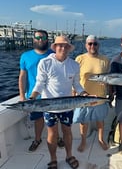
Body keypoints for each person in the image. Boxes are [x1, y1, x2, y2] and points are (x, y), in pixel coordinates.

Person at [29, 36, 86, 169]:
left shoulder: (74, 65)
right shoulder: (45, 62)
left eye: (65, 46)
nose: (63, 48)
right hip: (49, 106)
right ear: (55, 47)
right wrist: (32, 97)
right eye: (60, 45)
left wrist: (85, 94)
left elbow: (77, 85)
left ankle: (69, 155)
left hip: (67, 106)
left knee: (67, 132)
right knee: (52, 134)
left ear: (69, 48)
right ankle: (53, 159)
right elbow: (40, 84)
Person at [19, 30, 64, 152]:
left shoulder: (54, 54)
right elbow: (22, 76)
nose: (40, 40)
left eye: (43, 37)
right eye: (38, 37)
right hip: (34, 96)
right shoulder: (25, 56)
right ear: (33, 39)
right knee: (38, 119)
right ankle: (37, 139)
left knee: (55, 119)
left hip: (51, 95)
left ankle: (58, 137)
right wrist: (22, 96)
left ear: (47, 40)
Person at [73, 35, 110, 152]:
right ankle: (83, 141)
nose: (92, 46)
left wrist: (109, 89)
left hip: (100, 96)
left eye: (95, 44)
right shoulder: (79, 59)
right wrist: (73, 93)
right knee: (83, 121)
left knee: (100, 120)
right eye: (90, 44)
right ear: (86, 45)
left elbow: (109, 78)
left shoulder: (105, 59)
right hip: (83, 97)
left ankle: (100, 139)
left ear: (98, 45)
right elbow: (74, 78)